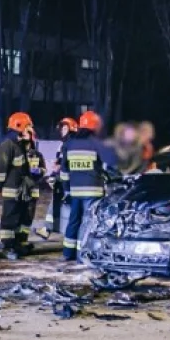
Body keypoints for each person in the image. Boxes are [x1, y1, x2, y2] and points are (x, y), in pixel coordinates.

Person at [0, 112, 42, 260]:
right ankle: (8, 247)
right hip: (11, 190)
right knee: (10, 219)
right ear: (19, 126)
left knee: (23, 219)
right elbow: (0, 168)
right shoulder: (8, 145)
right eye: (28, 126)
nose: (30, 129)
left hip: (24, 191)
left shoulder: (23, 145)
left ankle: (19, 243)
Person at [60, 111, 107, 262]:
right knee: (89, 223)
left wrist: (66, 189)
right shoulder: (97, 143)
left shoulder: (70, 144)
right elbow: (108, 165)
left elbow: (64, 171)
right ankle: (83, 255)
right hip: (93, 191)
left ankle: (68, 253)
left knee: (73, 221)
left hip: (74, 191)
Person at [37, 117, 77, 240]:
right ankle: (48, 228)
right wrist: (53, 175)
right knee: (56, 202)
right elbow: (58, 163)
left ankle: (50, 229)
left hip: (70, 180)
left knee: (67, 205)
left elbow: (64, 165)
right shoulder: (63, 145)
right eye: (62, 128)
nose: (62, 131)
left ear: (71, 129)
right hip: (63, 178)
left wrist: (56, 174)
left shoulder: (72, 144)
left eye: (65, 128)